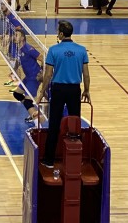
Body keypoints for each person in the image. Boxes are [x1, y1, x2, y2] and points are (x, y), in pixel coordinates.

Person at [36, 20, 90, 168]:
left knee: (54, 124)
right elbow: (86, 74)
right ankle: (76, 159)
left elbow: (48, 75)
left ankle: (49, 160)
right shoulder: (81, 50)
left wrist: (42, 92)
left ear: (61, 34)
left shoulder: (53, 50)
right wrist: (87, 90)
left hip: (58, 90)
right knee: (75, 123)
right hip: (74, 90)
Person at [11, 28, 44, 124]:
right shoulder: (19, 49)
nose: (14, 37)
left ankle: (37, 122)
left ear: (22, 38)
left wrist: (42, 72)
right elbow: (19, 61)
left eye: (16, 35)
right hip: (28, 77)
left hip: (34, 77)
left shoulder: (28, 48)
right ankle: (33, 112)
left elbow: (43, 58)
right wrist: (14, 70)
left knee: (27, 102)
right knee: (17, 94)